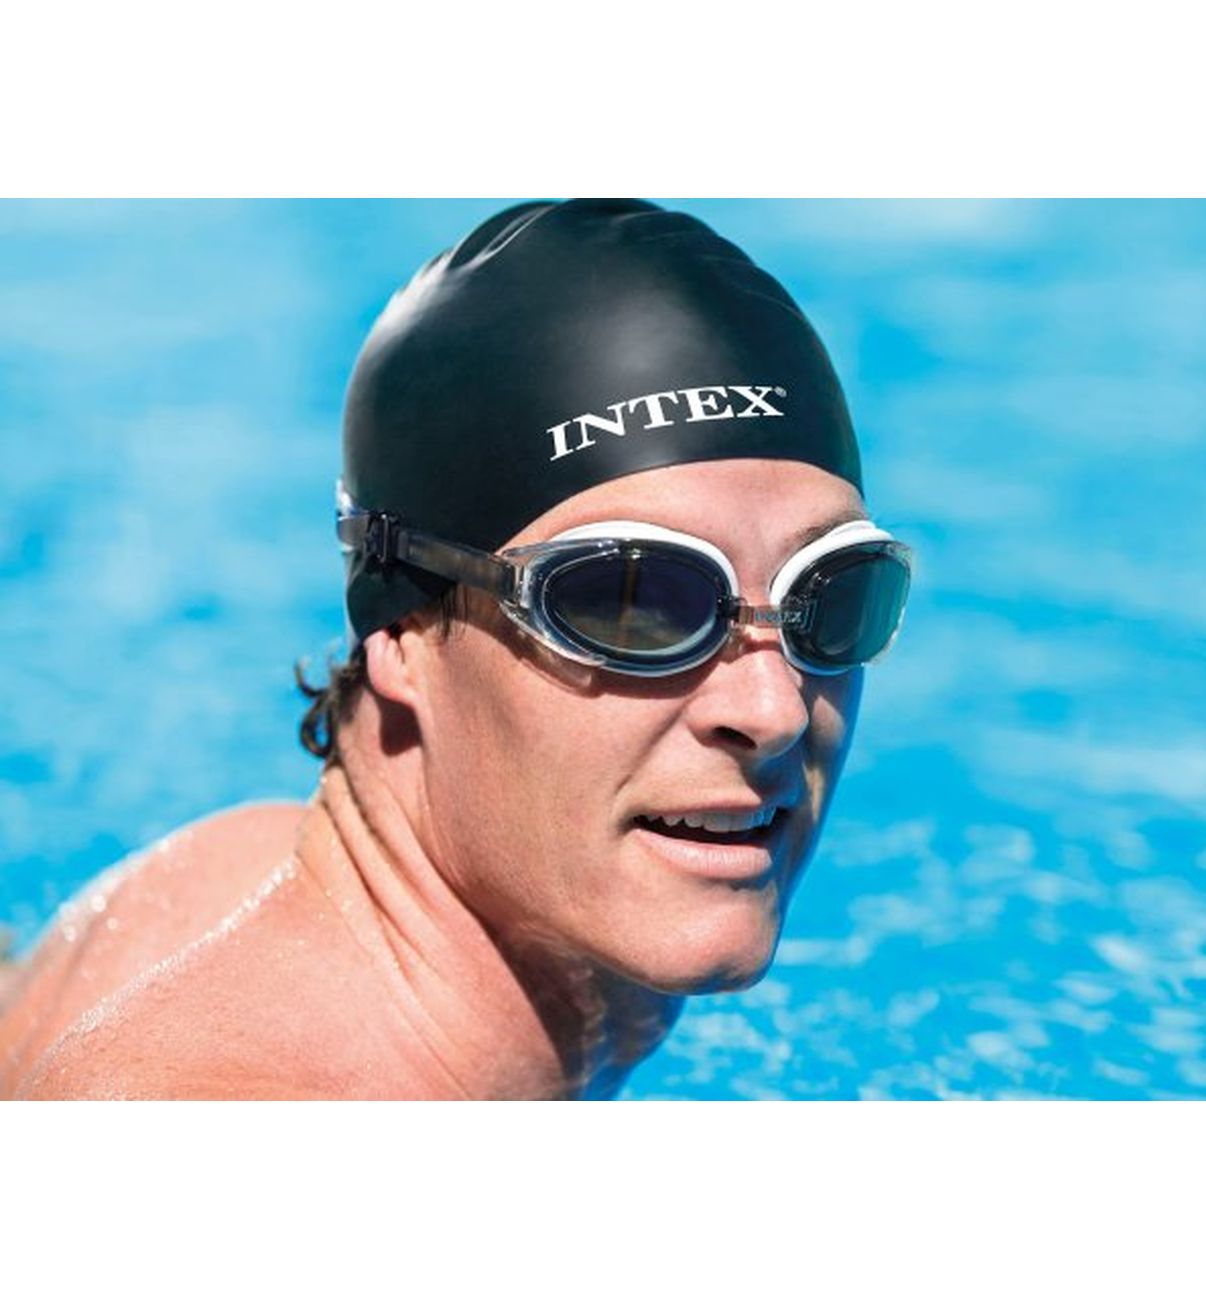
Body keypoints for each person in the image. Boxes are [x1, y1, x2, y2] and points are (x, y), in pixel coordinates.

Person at [0, 199, 910, 1100]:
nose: (773, 710)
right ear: (403, 628)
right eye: (635, 603)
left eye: (830, 595)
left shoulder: (261, 876)